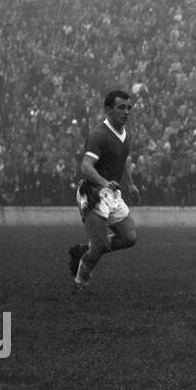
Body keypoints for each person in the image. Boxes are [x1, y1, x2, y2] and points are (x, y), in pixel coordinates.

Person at [67, 90, 140, 293]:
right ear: (108, 110)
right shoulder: (99, 135)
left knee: (129, 237)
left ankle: (85, 251)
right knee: (100, 247)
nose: (126, 112)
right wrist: (104, 182)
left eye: (128, 108)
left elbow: (121, 161)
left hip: (111, 193)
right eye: (121, 108)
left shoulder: (126, 135)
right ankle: (80, 283)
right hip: (92, 193)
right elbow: (86, 166)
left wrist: (131, 183)